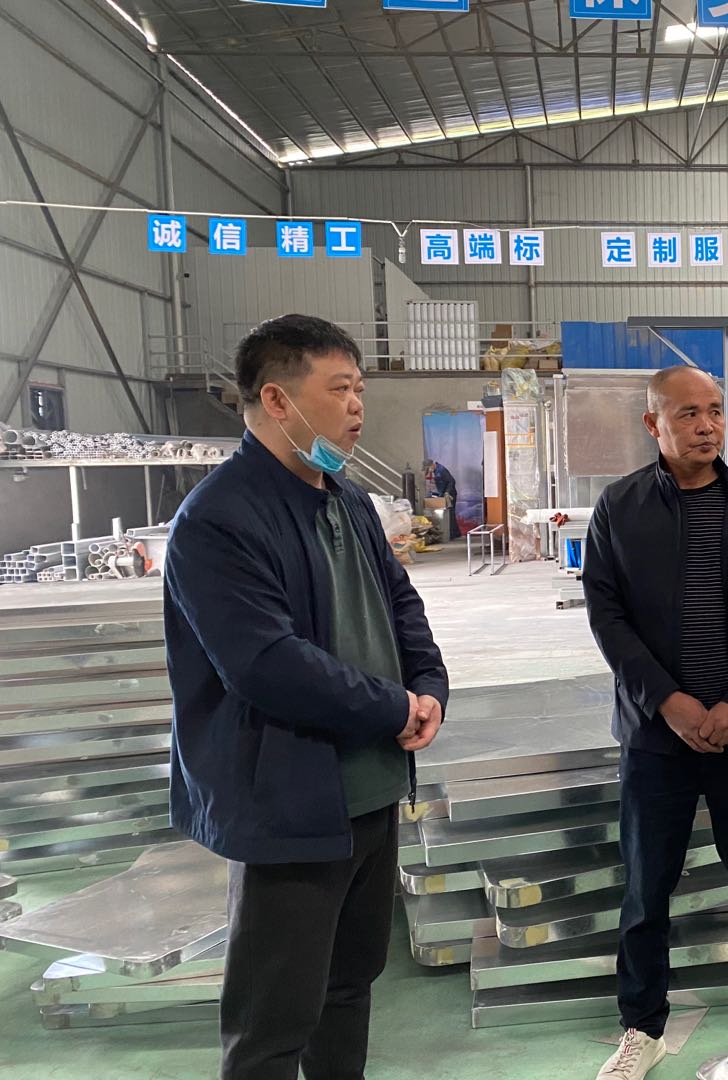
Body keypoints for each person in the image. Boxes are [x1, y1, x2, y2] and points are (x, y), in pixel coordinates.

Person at [164, 314, 449, 1079]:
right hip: (289, 806)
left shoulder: (348, 500)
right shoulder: (219, 519)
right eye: (340, 389)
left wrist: (428, 686)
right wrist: (393, 709)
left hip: (371, 792)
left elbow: (401, 606)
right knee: (273, 1023)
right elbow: (266, 664)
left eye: (361, 389)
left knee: (349, 988)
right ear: (277, 400)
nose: (357, 406)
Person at [582, 365, 728, 1080]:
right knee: (647, 891)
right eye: (688, 414)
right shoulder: (619, 507)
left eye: (715, 411)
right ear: (654, 424)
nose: (707, 425)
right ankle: (642, 1028)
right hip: (658, 738)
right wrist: (666, 701)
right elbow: (606, 614)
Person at [424, 458, 459, 539]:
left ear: (432, 465)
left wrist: (447, 492)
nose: (429, 470)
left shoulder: (441, 470)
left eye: (428, 468)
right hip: (443, 494)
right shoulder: (436, 471)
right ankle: (456, 533)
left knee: (450, 514)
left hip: (450, 495)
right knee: (449, 514)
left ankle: (453, 534)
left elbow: (452, 481)